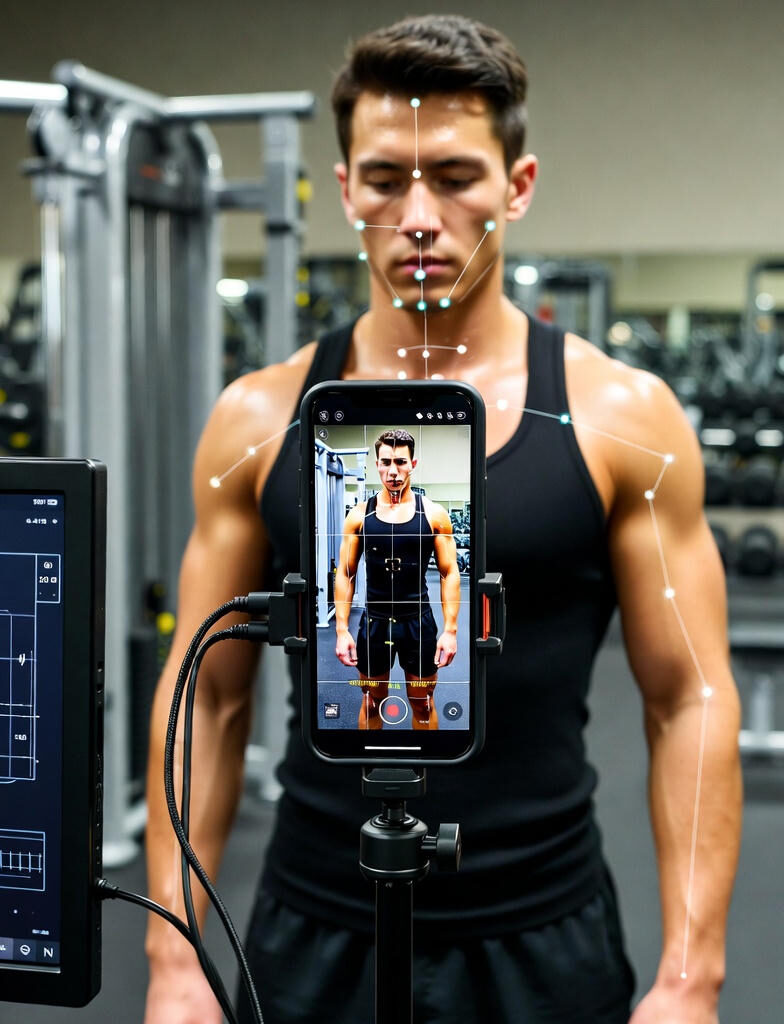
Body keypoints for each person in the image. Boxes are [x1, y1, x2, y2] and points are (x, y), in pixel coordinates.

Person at [144, 14, 741, 1024]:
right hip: (315, 929)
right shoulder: (256, 419)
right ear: (343, 193)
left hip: (539, 933)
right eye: (383, 180)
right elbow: (204, 699)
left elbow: (690, 696)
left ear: (518, 185)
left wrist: (692, 975)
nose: (418, 214)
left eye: (457, 177)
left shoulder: (622, 420)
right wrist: (171, 957)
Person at [333, 428, 460, 730]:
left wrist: (451, 631)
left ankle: (427, 769)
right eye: (386, 462)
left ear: (413, 464)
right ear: (376, 464)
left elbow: (449, 572)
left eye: (401, 462)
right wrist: (341, 630)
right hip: (375, 622)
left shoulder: (434, 515)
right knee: (371, 701)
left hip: (418, 622)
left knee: (423, 704)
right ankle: (370, 764)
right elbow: (345, 573)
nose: (393, 471)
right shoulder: (359, 516)